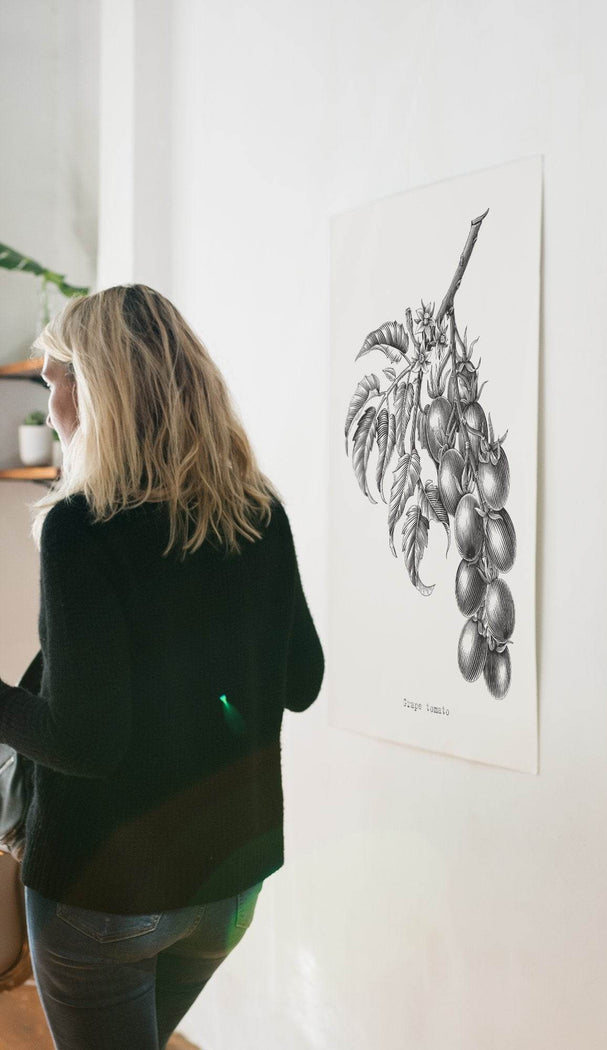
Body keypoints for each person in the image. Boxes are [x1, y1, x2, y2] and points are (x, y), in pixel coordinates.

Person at [0, 284, 324, 1049]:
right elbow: (302, 682)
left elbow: (83, 740)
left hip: (104, 893)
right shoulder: (259, 512)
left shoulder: (82, 528)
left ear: (95, 389)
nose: (50, 407)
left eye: (54, 381)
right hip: (227, 885)